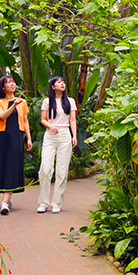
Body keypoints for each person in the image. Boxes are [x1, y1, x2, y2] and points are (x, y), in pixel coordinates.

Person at [0, 75, 32, 215]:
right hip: (1, 138)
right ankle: (7, 198)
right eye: (8, 82)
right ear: (3, 88)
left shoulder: (23, 102)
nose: (12, 84)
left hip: (16, 137)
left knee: (12, 167)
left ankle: (4, 203)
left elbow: (25, 121)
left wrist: (28, 138)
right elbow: (2, 116)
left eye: (13, 82)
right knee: (3, 168)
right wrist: (13, 105)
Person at [37, 76, 77, 214]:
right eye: (59, 82)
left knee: (62, 171)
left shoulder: (70, 101)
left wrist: (74, 136)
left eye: (63, 82)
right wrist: (51, 126)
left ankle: (56, 203)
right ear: (53, 87)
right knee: (45, 169)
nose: (62, 84)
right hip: (50, 135)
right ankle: (43, 202)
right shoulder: (47, 101)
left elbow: (72, 120)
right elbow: (43, 119)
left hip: (65, 134)